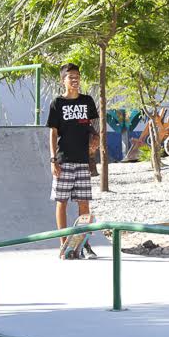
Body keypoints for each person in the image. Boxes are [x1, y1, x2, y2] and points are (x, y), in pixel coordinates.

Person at [46, 63, 100, 259]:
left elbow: (92, 126)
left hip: (83, 160)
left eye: (77, 76)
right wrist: (53, 159)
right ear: (63, 80)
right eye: (71, 77)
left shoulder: (87, 101)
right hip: (64, 160)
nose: (75, 79)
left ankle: (84, 244)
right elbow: (53, 133)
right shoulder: (57, 103)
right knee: (61, 202)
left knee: (84, 204)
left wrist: (96, 138)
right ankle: (64, 243)